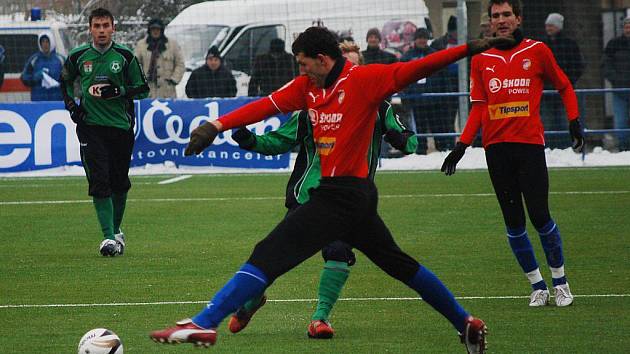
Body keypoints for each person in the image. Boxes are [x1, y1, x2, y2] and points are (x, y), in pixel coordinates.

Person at [150, 26, 512, 352]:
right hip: (351, 197)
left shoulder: (364, 80)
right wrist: (216, 124)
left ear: (323, 60)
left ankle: (204, 322)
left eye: (304, 63)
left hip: (343, 195)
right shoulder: (308, 86)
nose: (301, 70)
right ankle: (465, 323)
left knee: (268, 252)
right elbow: (265, 106)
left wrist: (469, 48)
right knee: (400, 265)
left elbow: (417, 68)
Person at [228, 42, 418, 339]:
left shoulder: (379, 108)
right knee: (277, 255)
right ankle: (253, 300)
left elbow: (411, 143)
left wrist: (398, 137)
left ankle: (320, 318)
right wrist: (251, 141)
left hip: (348, 198)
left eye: (356, 68)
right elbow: (279, 140)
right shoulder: (311, 107)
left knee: (338, 251)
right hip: (308, 196)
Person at [441, 0, 583, 308]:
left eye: (507, 14)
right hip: (496, 150)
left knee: (539, 215)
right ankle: (538, 286)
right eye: (496, 16)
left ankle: (560, 282)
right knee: (513, 221)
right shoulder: (481, 59)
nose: (501, 20)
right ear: (490, 22)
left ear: (518, 18)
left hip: (529, 146)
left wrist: (574, 120)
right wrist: (461, 146)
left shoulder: (537, 51)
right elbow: (478, 107)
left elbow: (564, 85)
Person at [60, 8, 149, 257]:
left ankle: (116, 230)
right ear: (90, 29)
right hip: (90, 128)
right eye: (96, 26)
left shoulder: (124, 56)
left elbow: (142, 88)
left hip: (120, 127)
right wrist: (71, 107)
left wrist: (119, 91)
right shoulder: (78, 56)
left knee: (119, 184)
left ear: (113, 28)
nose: (101, 30)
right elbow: (65, 80)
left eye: (105, 26)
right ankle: (108, 237)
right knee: (99, 180)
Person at [400, 28, 451, 154]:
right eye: (419, 37)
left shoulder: (435, 55)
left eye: (424, 37)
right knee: (419, 131)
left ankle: (441, 152)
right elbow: (401, 78)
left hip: (435, 101)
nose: (422, 40)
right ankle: (420, 153)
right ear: (415, 39)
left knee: (438, 129)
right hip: (417, 101)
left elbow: (444, 76)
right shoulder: (407, 57)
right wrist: (405, 96)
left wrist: (444, 95)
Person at [541, 13, 584, 149]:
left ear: (559, 26)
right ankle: (549, 149)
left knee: (563, 121)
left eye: (551, 25)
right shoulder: (542, 45)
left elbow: (578, 66)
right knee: (547, 122)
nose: (548, 28)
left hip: (562, 90)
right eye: (547, 25)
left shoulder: (569, 45)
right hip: (546, 92)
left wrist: (567, 82)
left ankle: (565, 149)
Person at [134, 18, 185, 99]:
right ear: (149, 30)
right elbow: (135, 65)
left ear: (162, 30)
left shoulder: (173, 44)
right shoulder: (141, 45)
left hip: (167, 91)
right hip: (148, 90)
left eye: (158, 29)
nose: (155, 31)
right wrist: (141, 81)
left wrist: (174, 80)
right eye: (153, 29)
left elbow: (180, 64)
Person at [603, 16, 630, 151]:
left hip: (620, 87)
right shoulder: (614, 44)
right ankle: (623, 148)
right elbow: (606, 65)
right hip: (619, 89)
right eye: (626, 27)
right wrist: (616, 80)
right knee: (620, 121)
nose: (628, 29)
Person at [20, 31, 65, 101]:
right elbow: (24, 78)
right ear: (40, 44)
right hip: (39, 101)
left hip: (57, 100)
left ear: (51, 42)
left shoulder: (60, 60)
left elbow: (70, 78)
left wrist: (60, 80)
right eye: (43, 42)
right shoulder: (34, 59)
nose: (45, 44)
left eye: (47, 42)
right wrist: (34, 78)